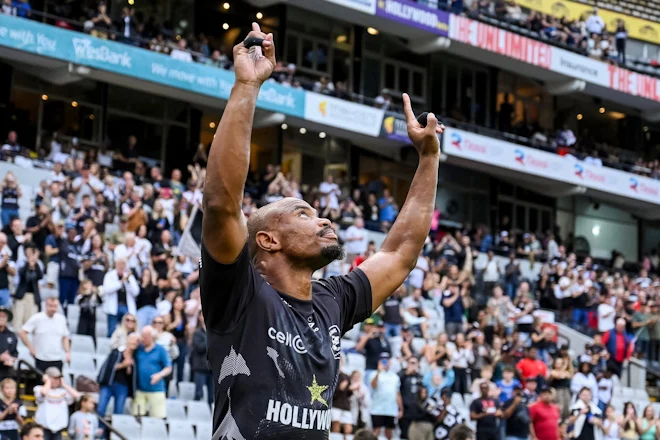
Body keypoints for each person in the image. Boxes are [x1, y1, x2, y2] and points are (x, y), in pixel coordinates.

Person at [200, 23, 444, 440]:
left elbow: (400, 253)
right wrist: (247, 86)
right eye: (303, 214)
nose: (324, 220)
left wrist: (428, 159)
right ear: (268, 240)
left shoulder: (332, 301)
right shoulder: (240, 295)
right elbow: (222, 204)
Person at [20, 297, 70, 372]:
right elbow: (22, 332)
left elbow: (65, 337)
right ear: (46, 306)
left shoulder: (61, 319)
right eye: (50, 306)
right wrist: (30, 348)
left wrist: (67, 352)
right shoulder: (37, 318)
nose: (53, 308)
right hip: (41, 358)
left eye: (55, 306)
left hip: (57, 358)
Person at [133, 326, 171, 419]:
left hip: (156, 390)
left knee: (158, 418)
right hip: (140, 390)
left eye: (145, 336)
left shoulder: (160, 350)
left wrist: (159, 375)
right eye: (142, 336)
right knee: (137, 417)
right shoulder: (138, 349)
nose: (142, 339)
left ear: (151, 337)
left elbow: (168, 367)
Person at [97, 333, 139, 417]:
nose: (134, 343)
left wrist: (129, 369)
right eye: (132, 340)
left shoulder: (135, 357)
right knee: (101, 409)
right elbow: (109, 367)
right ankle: (100, 425)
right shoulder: (117, 352)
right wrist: (123, 365)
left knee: (119, 412)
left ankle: (115, 425)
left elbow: (132, 377)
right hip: (109, 383)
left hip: (123, 386)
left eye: (136, 341)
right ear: (128, 340)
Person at [34, 367, 79, 440]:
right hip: (44, 428)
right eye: (54, 378)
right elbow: (43, 392)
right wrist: (47, 382)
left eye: (58, 378)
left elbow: (77, 396)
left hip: (58, 429)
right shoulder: (39, 388)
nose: (56, 381)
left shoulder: (63, 391)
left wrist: (64, 384)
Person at [369, 353, 403, 440]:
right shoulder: (374, 373)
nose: (385, 362)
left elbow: (397, 393)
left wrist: (400, 409)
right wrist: (378, 372)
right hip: (377, 408)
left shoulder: (395, 376)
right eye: (383, 360)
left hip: (390, 409)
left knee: (389, 432)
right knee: (376, 430)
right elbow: (373, 385)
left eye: (387, 360)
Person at [102, 258, 139, 337]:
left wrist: (127, 282)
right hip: (114, 306)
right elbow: (107, 289)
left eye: (123, 264)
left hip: (126, 307)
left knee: (127, 330)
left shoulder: (129, 277)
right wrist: (121, 282)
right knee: (112, 330)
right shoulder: (110, 275)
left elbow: (136, 292)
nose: (121, 266)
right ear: (116, 265)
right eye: (120, 264)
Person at [190, 312, 213, 405]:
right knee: (198, 394)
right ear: (199, 317)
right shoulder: (197, 333)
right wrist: (210, 337)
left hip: (211, 368)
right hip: (200, 367)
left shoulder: (214, 332)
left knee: (212, 396)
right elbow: (200, 348)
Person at [0, 307, 18, 380]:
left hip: (6, 370)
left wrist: (11, 358)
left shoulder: (11, 335)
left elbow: (15, 352)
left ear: (7, 318)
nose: (1, 318)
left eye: (4, 316)